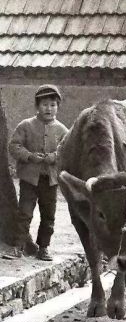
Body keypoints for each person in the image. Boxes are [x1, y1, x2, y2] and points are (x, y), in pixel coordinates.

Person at [9, 84, 69, 261]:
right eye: (44, 104)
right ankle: (18, 247)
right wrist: (29, 156)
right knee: (25, 213)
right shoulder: (26, 126)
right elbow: (13, 146)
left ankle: (43, 247)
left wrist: (54, 157)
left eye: (52, 104)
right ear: (37, 106)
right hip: (29, 179)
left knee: (48, 215)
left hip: (50, 181)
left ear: (57, 107)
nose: (48, 109)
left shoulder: (62, 130)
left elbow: (67, 151)